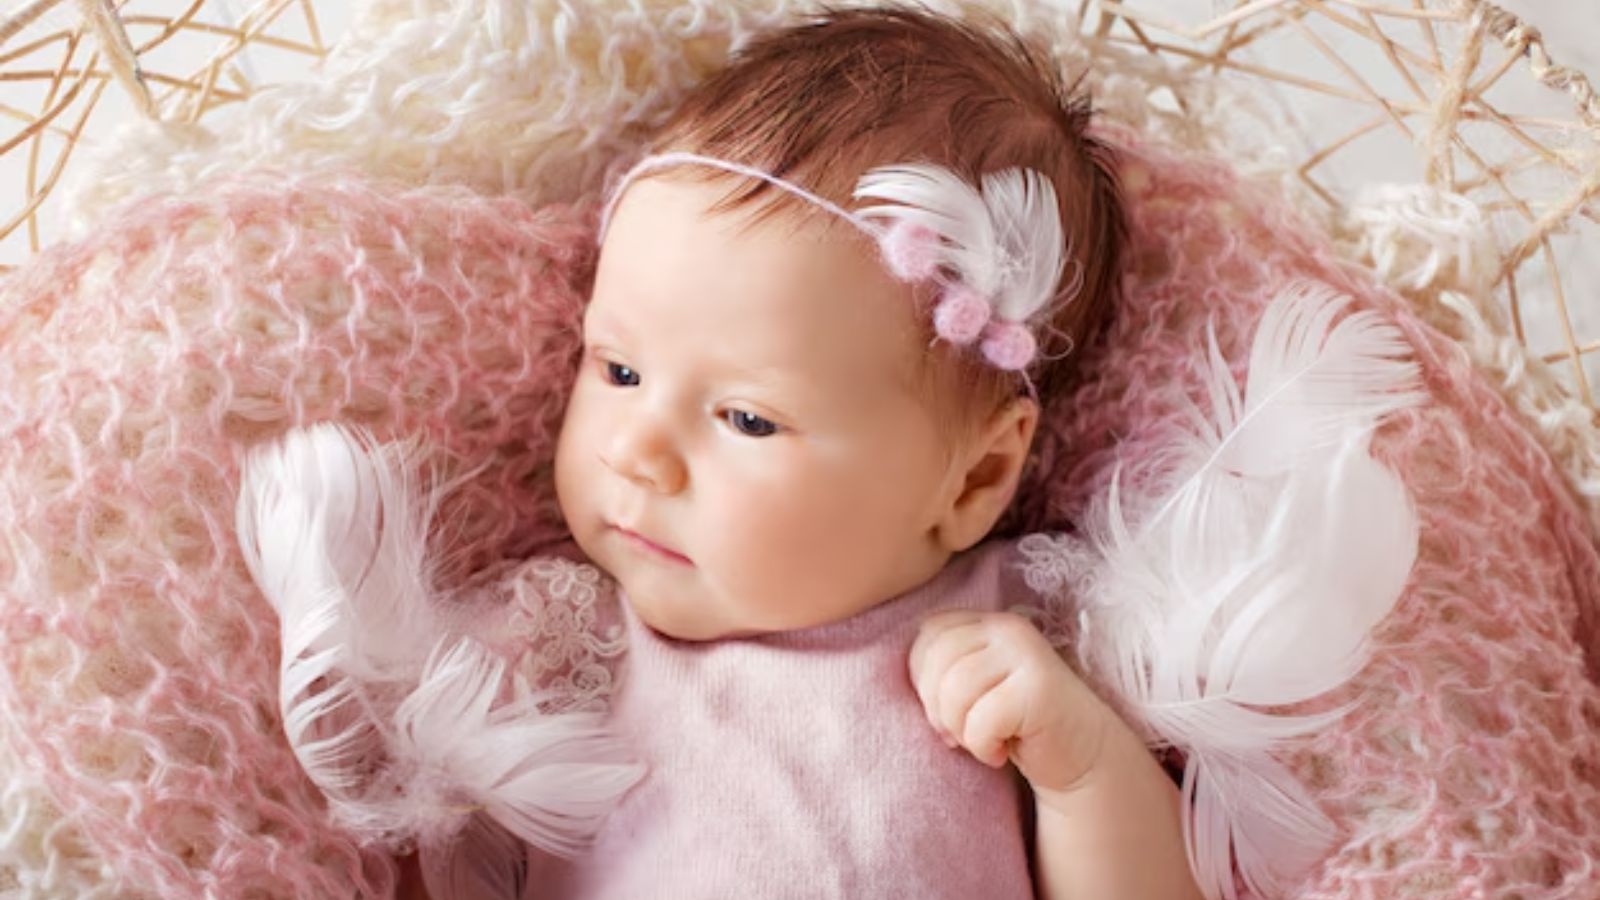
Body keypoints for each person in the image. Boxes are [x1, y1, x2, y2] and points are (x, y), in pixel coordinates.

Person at [388, 6, 1202, 897]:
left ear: (974, 479)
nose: (638, 453)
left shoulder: (1017, 652)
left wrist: (1083, 773)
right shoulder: (562, 651)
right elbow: (416, 842)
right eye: (619, 371)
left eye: (747, 420)